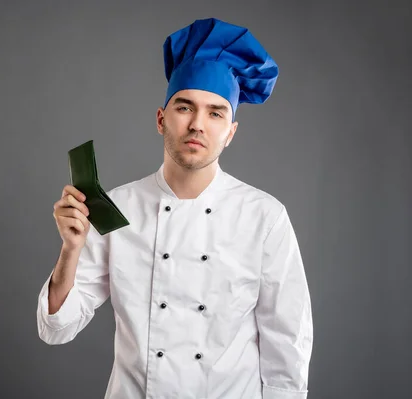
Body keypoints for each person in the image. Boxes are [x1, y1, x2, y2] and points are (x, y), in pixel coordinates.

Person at [37, 17, 313, 399]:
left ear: (230, 132)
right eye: (185, 107)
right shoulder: (119, 207)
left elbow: (288, 349)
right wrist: (70, 250)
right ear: (161, 119)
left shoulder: (264, 217)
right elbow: (56, 328)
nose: (198, 124)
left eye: (216, 112)